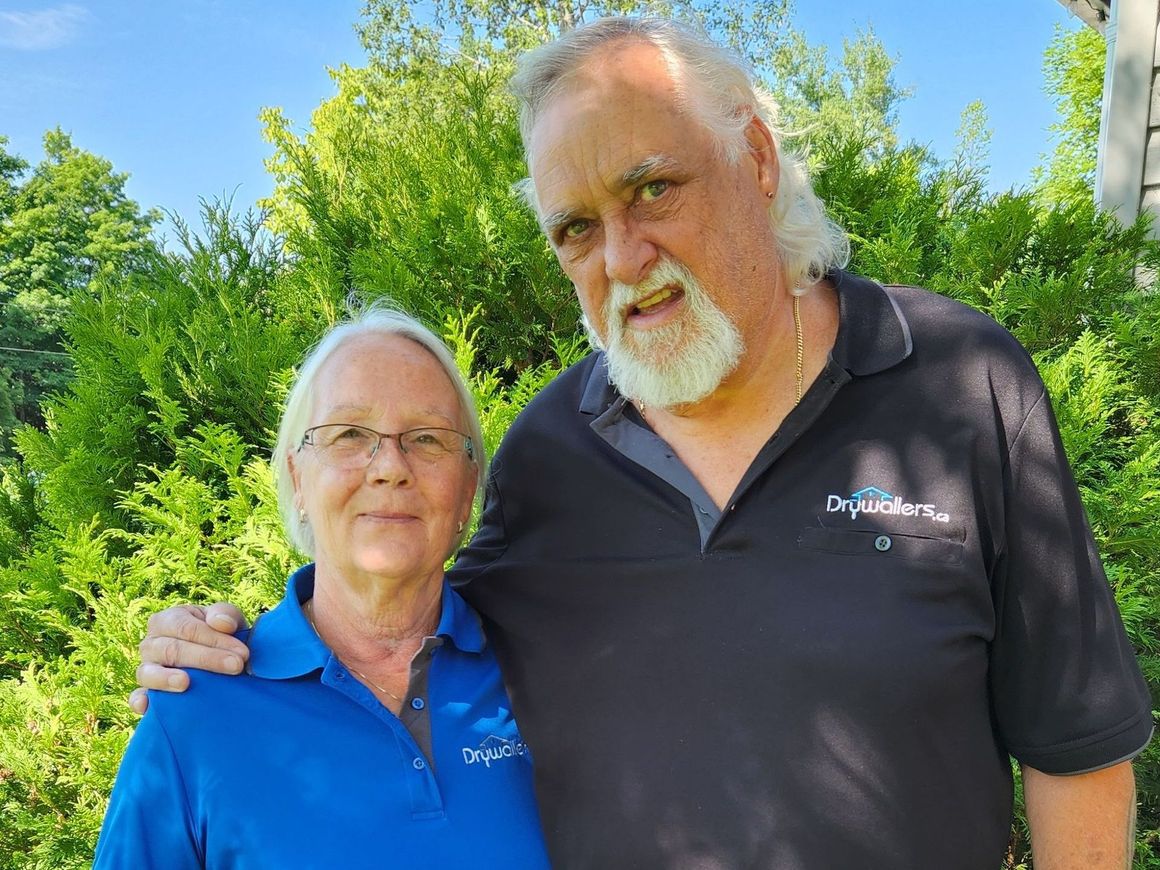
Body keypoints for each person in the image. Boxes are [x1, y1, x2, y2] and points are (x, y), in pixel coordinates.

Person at [133, 17, 1152, 869]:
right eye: (574, 227)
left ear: (752, 160)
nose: (623, 256)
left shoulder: (956, 384)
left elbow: (1075, 750)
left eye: (650, 189)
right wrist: (228, 656)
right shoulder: (544, 456)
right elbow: (394, 618)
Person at [95, 307, 549, 868]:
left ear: (467, 492)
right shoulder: (195, 713)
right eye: (349, 434)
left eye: (427, 438)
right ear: (297, 480)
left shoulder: (540, 674)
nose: (389, 467)